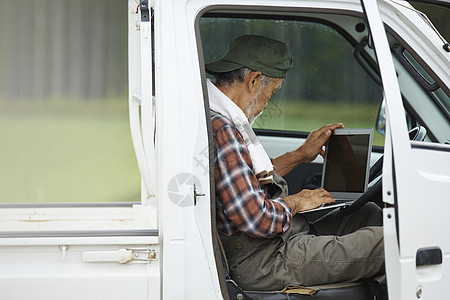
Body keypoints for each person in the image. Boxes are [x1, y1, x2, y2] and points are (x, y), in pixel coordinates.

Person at [206, 35, 384, 291]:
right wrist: (298, 201)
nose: (268, 103)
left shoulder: (223, 117)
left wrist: (301, 155)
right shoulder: (223, 128)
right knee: (391, 242)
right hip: (262, 259)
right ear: (254, 80)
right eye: (273, 91)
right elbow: (257, 220)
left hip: (277, 240)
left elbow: (244, 180)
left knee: (368, 214)